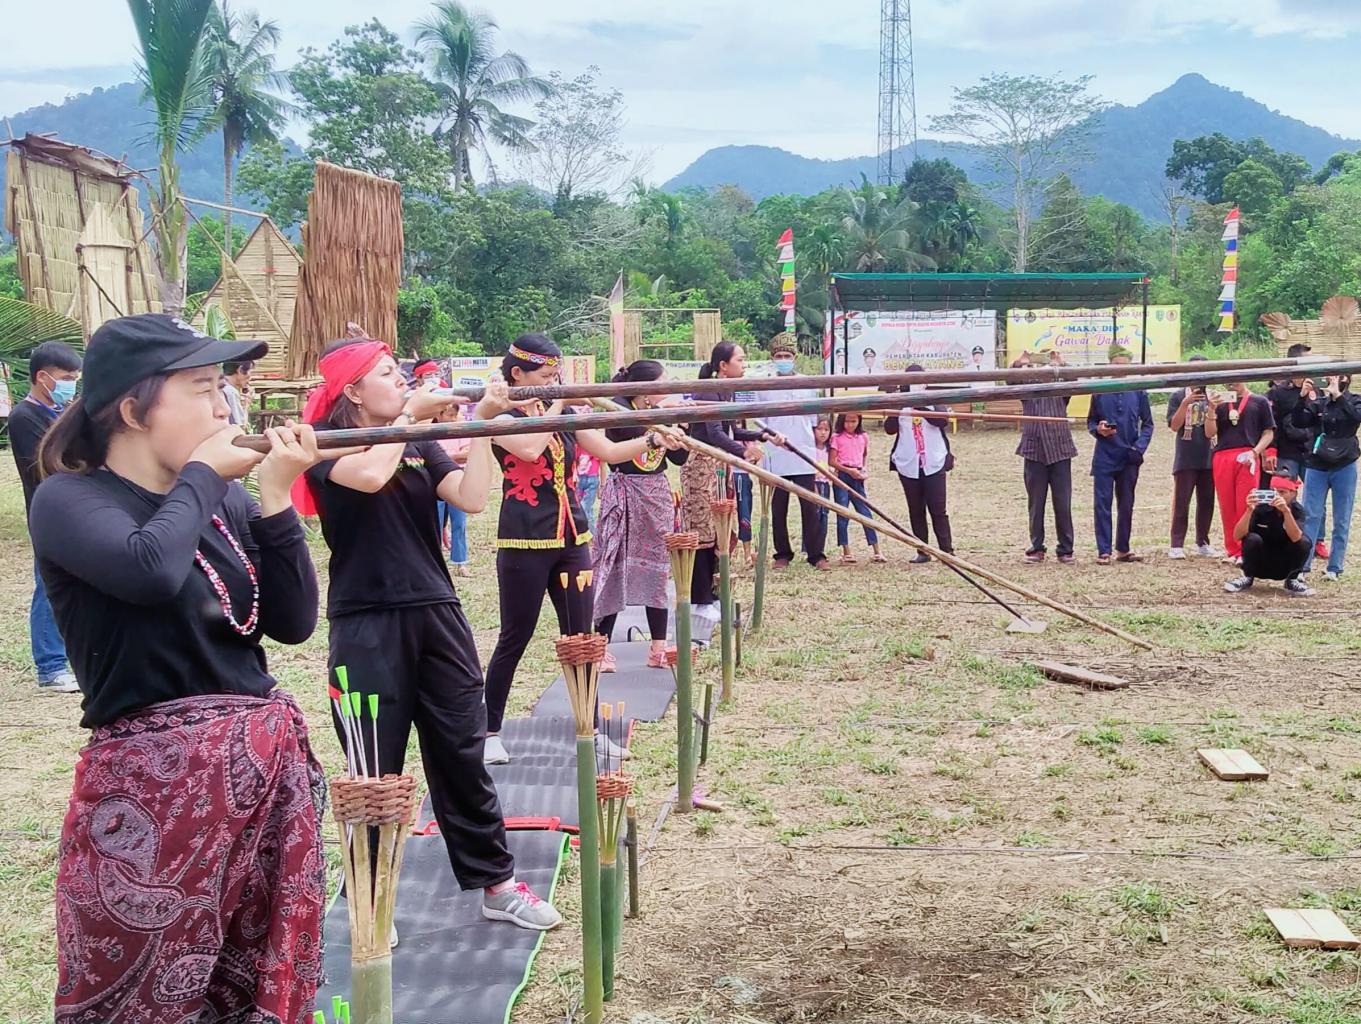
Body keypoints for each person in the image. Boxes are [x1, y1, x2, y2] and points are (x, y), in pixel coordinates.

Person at [34, 313, 329, 1022]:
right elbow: (149, 572)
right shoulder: (70, 500)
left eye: (223, 386)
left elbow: (292, 623)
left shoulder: (223, 499)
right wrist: (200, 474)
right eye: (201, 388)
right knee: (138, 991)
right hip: (150, 800)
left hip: (258, 783)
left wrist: (276, 501)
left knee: (252, 978)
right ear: (134, 409)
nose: (225, 408)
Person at [298, 335, 562, 931]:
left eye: (399, 373)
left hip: (437, 610)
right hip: (366, 620)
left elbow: (470, 497)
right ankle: (371, 899)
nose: (401, 381)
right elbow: (369, 477)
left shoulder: (416, 440)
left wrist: (482, 426)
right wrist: (410, 419)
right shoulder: (324, 441)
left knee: (463, 753)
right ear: (352, 392)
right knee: (374, 768)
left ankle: (497, 884)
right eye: (386, 374)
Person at [484, 333, 663, 763]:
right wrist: (560, 402)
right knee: (515, 636)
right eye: (546, 376)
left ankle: (590, 728)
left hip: (572, 539)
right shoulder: (498, 414)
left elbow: (610, 450)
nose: (553, 382)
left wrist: (654, 440)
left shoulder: (560, 412)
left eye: (556, 376)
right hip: (524, 541)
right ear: (517, 374)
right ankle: (489, 731)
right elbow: (530, 447)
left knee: (583, 639)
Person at [592, 360, 689, 666]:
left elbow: (679, 459)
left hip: (655, 496)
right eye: (662, 382)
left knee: (657, 569)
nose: (667, 388)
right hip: (624, 493)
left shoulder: (661, 414)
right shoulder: (618, 407)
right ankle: (600, 646)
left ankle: (658, 648)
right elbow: (629, 431)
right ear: (645, 387)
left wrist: (681, 428)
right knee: (613, 566)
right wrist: (660, 421)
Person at [9, 341, 82, 693]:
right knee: (48, 586)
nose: (71, 384)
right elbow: (48, 466)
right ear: (42, 377)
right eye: (66, 378)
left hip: (72, 511)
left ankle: (69, 657)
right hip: (47, 514)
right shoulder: (25, 417)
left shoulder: (57, 411)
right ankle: (50, 666)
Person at [681, 342, 766, 615]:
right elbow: (715, 433)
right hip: (701, 466)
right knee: (703, 530)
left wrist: (761, 436)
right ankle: (700, 599)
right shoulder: (708, 389)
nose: (744, 364)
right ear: (723, 365)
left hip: (719, 465)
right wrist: (744, 452)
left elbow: (731, 431)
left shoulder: (727, 390)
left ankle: (714, 593)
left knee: (721, 527)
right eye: (740, 360)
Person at [755, 337, 829, 571]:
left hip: (803, 451)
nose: (783, 360)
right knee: (779, 508)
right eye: (779, 356)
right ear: (772, 359)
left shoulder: (807, 384)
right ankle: (782, 553)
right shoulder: (764, 386)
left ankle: (816, 554)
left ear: (794, 358)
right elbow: (760, 421)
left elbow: (813, 420)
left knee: (810, 505)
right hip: (777, 454)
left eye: (787, 356)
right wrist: (770, 439)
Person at [1087, 347, 1153, 565]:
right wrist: (1099, 429)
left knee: (1126, 503)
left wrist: (1139, 448)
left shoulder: (1139, 391)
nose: (1120, 369)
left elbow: (1148, 424)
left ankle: (1123, 549)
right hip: (1105, 455)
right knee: (1102, 504)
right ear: (1109, 365)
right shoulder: (1099, 391)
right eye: (1116, 365)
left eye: (1124, 365)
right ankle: (1103, 551)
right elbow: (1091, 422)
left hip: (1129, 456)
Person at [1293, 373, 1360, 580]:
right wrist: (1301, 398)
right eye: (1328, 376)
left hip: (1345, 464)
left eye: (1337, 376)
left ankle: (1334, 567)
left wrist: (1338, 396)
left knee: (1342, 518)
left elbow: (1356, 418)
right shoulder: (1319, 403)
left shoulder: (1355, 400)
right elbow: (1298, 421)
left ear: (1345, 379)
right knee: (1310, 515)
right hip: (1317, 464)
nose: (1331, 380)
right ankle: (1303, 566)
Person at [1204, 376, 1275, 564]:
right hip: (1223, 456)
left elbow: (1268, 433)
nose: (1232, 384)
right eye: (1228, 381)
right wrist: (1211, 409)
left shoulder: (1259, 401)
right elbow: (1209, 433)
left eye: (1236, 380)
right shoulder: (1220, 403)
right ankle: (1233, 550)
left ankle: (1246, 549)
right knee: (1226, 505)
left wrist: (1255, 452)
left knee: (1246, 504)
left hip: (1247, 456)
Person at [885, 366, 953, 560]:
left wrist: (921, 407)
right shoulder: (900, 402)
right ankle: (922, 551)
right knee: (915, 510)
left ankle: (947, 551)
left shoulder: (934, 399)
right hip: (908, 463)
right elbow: (889, 429)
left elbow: (942, 421)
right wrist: (898, 404)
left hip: (933, 461)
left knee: (938, 509)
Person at [1014, 356, 1076, 564]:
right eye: (1039, 368)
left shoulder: (1060, 388)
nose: (1043, 372)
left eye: (1047, 367)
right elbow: (1011, 380)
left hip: (1060, 450)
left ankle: (1065, 549)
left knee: (1063, 503)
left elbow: (1074, 380)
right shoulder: (1027, 388)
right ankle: (1037, 547)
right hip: (1034, 451)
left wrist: (1063, 363)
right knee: (1036, 504)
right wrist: (1019, 363)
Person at [1269, 344, 1328, 559]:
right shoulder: (1278, 392)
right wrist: (1271, 450)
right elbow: (1272, 423)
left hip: (1312, 452)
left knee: (1316, 499)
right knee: (1284, 496)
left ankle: (1318, 540)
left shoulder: (1318, 390)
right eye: (1307, 361)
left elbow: (1322, 420)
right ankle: (1283, 536)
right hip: (1287, 452)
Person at [1223, 474, 1312, 595]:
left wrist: (1286, 512)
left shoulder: (1297, 510)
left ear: (1293, 494)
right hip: (1260, 562)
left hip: (1284, 564)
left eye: (1282, 492)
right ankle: (1247, 576)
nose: (1278, 496)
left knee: (1304, 542)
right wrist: (1249, 510)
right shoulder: (1261, 508)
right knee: (1251, 538)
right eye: (1274, 492)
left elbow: (1296, 537)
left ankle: (1292, 580)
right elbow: (1237, 536)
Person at [1166, 355, 1218, 559]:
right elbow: (1174, 426)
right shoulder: (1178, 395)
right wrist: (1185, 404)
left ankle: (1202, 541)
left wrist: (1213, 407)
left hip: (1209, 455)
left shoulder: (1213, 395)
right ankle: (1176, 544)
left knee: (1207, 501)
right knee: (1182, 501)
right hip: (1186, 456)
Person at [829, 412, 884, 563]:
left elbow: (864, 454)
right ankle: (846, 551)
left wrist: (863, 469)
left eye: (854, 421)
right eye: (847, 421)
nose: (850, 425)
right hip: (842, 476)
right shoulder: (837, 438)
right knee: (843, 513)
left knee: (865, 512)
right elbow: (832, 461)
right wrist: (848, 471)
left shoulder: (863, 436)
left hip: (858, 476)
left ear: (859, 421)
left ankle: (876, 550)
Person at [434, 402, 473, 578]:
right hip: (436, 480)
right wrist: (454, 456)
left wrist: (440, 457)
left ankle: (460, 562)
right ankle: (436, 562)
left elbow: (467, 454)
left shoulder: (459, 431)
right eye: (449, 415)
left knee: (459, 522)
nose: (452, 418)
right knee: (435, 521)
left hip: (457, 479)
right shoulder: (430, 432)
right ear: (438, 415)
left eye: (454, 415)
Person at [221, 358, 254, 426]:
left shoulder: (218, 387)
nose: (250, 378)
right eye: (250, 371)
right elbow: (241, 426)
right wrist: (246, 406)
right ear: (240, 370)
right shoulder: (231, 392)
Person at [575, 447, 602, 528]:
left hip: (592, 478)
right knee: (579, 508)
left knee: (585, 508)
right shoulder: (576, 445)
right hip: (579, 478)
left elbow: (602, 464)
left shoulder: (595, 446)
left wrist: (602, 485)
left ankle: (590, 532)